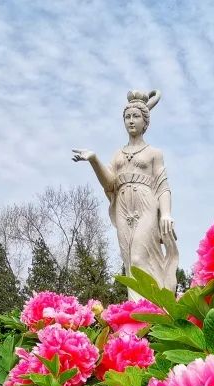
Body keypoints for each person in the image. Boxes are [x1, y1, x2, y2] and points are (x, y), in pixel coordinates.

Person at [72, 89, 178, 297]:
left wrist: (165, 213)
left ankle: (151, 308)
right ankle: (136, 312)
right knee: (129, 260)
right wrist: (94, 160)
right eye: (127, 117)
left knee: (139, 257)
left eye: (136, 116)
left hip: (146, 205)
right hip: (122, 209)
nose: (131, 121)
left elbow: (163, 185)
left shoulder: (154, 153)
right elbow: (110, 183)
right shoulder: (118, 154)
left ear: (145, 122)